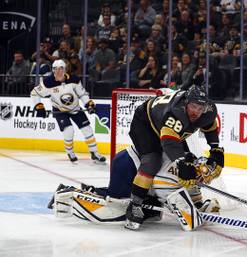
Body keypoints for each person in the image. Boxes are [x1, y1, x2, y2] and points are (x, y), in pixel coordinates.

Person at [49, 145, 221, 231]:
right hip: (128, 166)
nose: (203, 180)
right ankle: (68, 194)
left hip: (143, 172)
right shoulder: (174, 175)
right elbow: (187, 219)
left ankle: (93, 189)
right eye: (202, 176)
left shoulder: (188, 169)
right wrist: (192, 214)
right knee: (117, 211)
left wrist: (201, 207)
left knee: (151, 214)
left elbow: (191, 199)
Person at [125, 84, 224, 230]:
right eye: (193, 106)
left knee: (190, 161)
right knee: (152, 160)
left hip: (168, 127)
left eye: (200, 108)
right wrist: (181, 163)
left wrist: (215, 148)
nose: (196, 112)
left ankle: (196, 202)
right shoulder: (175, 113)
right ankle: (135, 204)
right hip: (145, 124)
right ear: (186, 102)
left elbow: (210, 127)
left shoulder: (208, 111)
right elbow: (169, 142)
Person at [30, 59, 106, 163]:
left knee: (87, 129)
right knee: (69, 130)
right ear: (52, 70)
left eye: (61, 68)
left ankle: (95, 153)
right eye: (55, 69)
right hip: (60, 110)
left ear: (65, 70)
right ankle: (70, 152)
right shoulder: (47, 82)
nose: (58, 71)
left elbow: (82, 94)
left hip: (75, 108)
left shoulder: (74, 79)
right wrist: (39, 106)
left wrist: (88, 104)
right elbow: (34, 93)